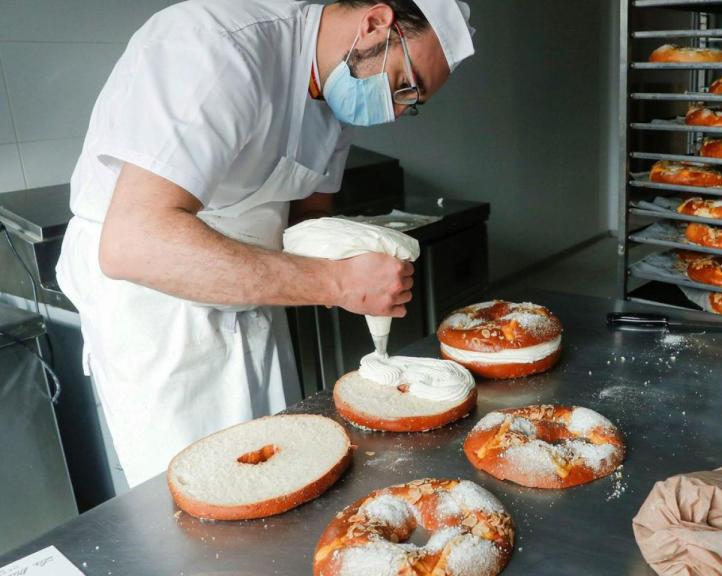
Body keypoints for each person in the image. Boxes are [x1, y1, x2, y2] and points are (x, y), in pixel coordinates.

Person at [55, 0, 475, 488]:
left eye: (413, 104)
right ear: (376, 23)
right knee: (201, 497)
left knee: (283, 472)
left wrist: (356, 252)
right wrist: (338, 282)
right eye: (405, 86)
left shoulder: (332, 96)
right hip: (163, 317)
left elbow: (307, 218)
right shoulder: (218, 47)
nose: (401, 111)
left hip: (254, 299)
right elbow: (134, 242)